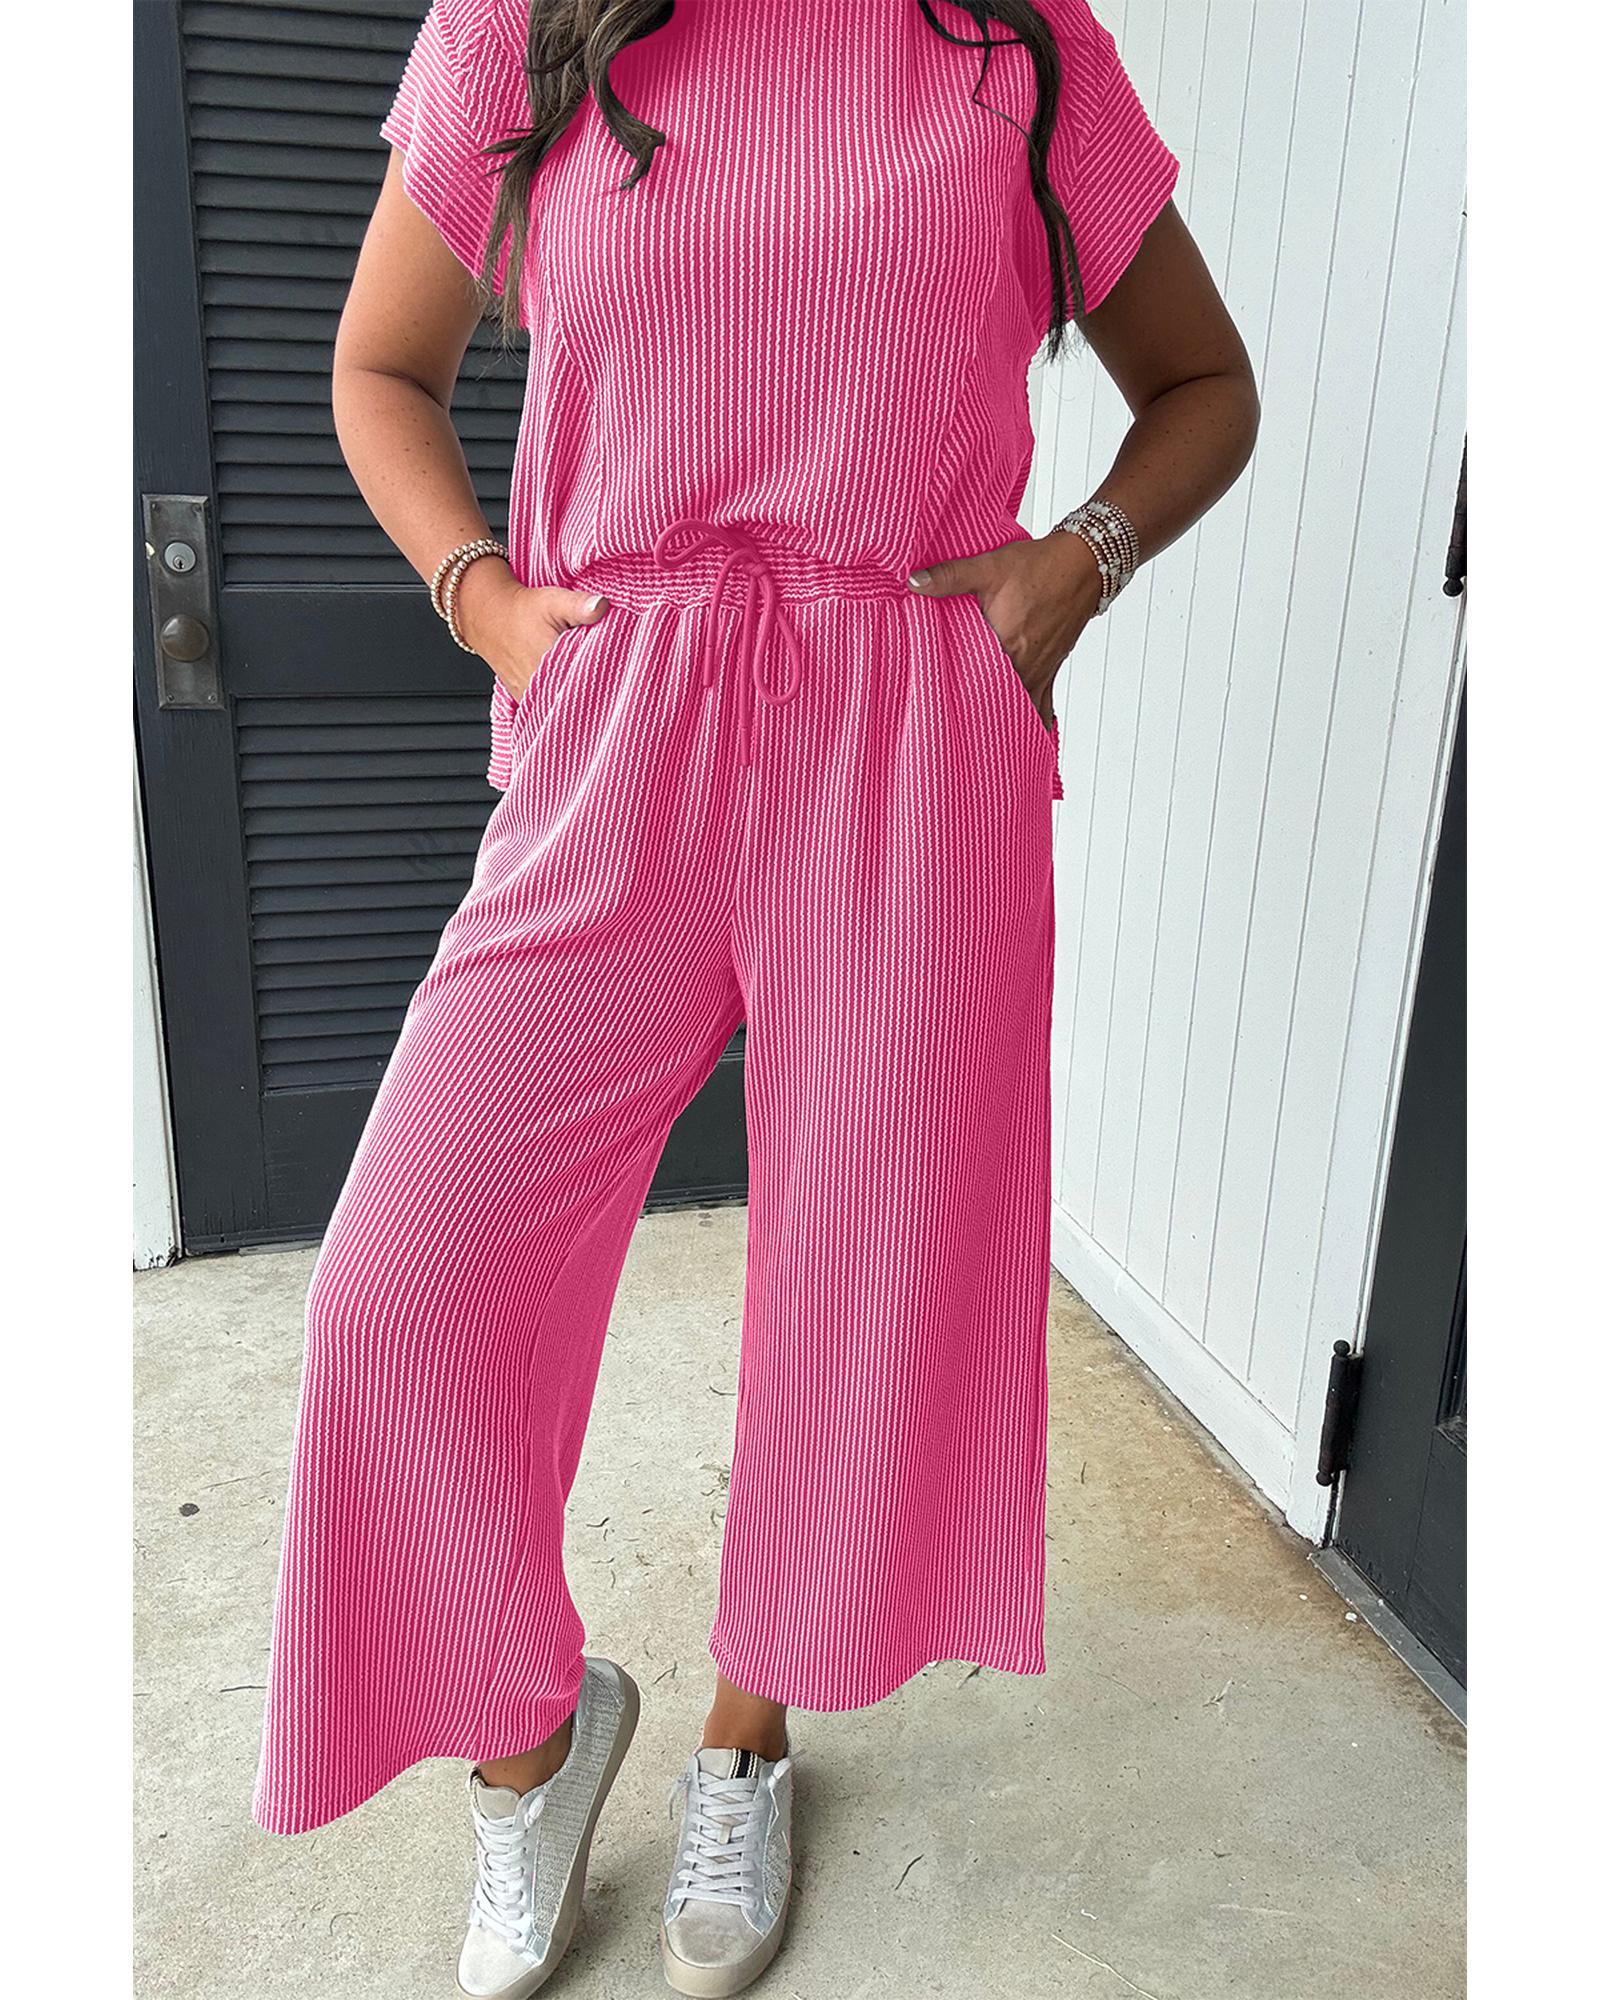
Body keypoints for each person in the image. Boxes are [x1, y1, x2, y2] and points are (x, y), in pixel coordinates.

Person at [250, 3, 1259, 1996]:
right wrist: (480, 598)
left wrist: (1072, 568)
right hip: (616, 724)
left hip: (907, 742)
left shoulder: (1014, 44)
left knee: (859, 1293)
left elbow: (1203, 385)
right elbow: (379, 367)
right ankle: (532, 1740)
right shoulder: (525, 31)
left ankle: (747, 1737)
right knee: (401, 1286)